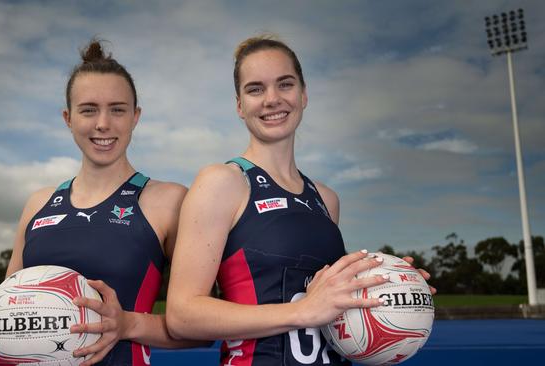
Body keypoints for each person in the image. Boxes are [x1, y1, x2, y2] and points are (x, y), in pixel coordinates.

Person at [166, 35, 435, 365]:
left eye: (285, 84)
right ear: (239, 105)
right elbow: (182, 315)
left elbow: (328, 302)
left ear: (303, 94)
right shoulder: (222, 182)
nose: (272, 99)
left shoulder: (326, 198)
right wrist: (300, 312)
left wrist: (391, 286)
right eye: (255, 89)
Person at [0, 38, 199, 366]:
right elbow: (10, 296)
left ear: (135, 116)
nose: (103, 124)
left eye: (117, 109)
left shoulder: (168, 201)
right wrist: (0, 327)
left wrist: (128, 324)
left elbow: (201, 328)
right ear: (68, 118)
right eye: (88, 109)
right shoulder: (38, 204)